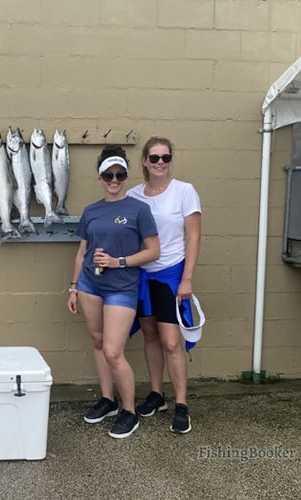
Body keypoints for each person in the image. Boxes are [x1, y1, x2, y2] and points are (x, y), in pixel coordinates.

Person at [67, 145, 160, 439]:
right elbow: (82, 251)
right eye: (109, 174)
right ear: (100, 177)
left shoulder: (138, 209)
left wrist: (118, 262)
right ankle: (108, 400)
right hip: (89, 285)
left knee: (113, 350)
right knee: (97, 341)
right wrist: (73, 287)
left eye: (120, 174)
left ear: (126, 175)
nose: (114, 179)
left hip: (122, 288)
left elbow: (153, 251)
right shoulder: (91, 211)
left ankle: (129, 411)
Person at [127, 136, 201, 434]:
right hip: (142, 275)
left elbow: (194, 237)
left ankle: (181, 403)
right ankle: (157, 394)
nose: (160, 163)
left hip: (171, 274)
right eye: (154, 158)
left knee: (172, 341)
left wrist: (186, 278)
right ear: (144, 160)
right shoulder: (133, 195)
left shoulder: (184, 191)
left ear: (171, 160)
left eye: (165, 158)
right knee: (149, 334)